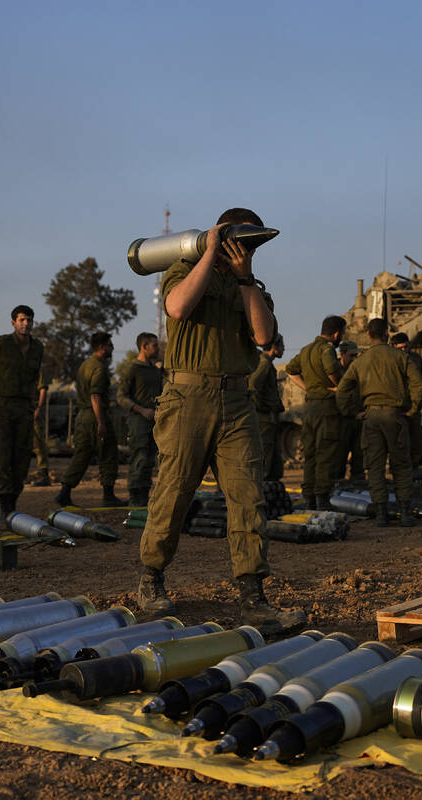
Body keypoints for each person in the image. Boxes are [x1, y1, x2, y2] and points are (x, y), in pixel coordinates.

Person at [136, 207, 306, 633]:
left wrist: (245, 277)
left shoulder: (252, 288)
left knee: (248, 497)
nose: (243, 250)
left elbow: (265, 337)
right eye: (238, 241)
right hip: (187, 398)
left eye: (250, 245)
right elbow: (176, 308)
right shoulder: (184, 270)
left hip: (236, 401)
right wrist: (209, 253)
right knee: (174, 492)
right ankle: (150, 580)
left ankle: (253, 598)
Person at [337, 318, 422, 527]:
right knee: (401, 464)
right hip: (395, 416)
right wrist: (413, 409)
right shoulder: (401, 357)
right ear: (387, 333)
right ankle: (405, 513)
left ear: (368, 335)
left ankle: (381, 514)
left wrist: (353, 412)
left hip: (371, 417)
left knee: (375, 466)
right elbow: (419, 384)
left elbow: (342, 391)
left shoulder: (360, 361)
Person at [0, 304, 45, 526]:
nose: (26, 324)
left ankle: (13, 504)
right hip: (1, 407)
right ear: (13, 323)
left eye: (29, 320)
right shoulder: (2, 344)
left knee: (22, 459)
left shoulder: (37, 348)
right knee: (2, 457)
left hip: (23, 409)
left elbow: (34, 377)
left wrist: (32, 403)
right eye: (22, 320)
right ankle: (6, 508)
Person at [285, 315, 346, 510]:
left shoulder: (306, 350)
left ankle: (309, 497)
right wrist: (339, 386)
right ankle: (322, 498)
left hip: (309, 407)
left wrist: (308, 388)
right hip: (326, 407)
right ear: (336, 334)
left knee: (310, 453)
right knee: (325, 453)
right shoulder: (326, 350)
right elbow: (331, 370)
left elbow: (290, 371)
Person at [56, 332, 122, 508]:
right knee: (108, 453)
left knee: (82, 455)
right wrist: (101, 422)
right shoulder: (99, 368)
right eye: (109, 345)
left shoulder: (85, 364)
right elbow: (95, 395)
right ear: (101, 347)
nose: (112, 348)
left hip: (83, 416)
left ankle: (65, 491)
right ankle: (108, 495)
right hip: (95, 415)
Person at [117, 332, 163, 506]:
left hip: (155, 423)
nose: (157, 348)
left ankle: (143, 498)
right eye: (154, 345)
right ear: (144, 347)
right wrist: (141, 410)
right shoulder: (133, 369)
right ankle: (135, 499)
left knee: (149, 460)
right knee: (140, 459)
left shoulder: (155, 370)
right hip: (139, 422)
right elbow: (121, 397)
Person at [390, 333, 422, 469]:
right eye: (400, 348)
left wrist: (417, 405)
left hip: (413, 407)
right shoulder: (390, 361)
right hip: (396, 408)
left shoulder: (415, 359)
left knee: (417, 444)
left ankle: (412, 471)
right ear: (393, 347)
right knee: (398, 444)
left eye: (406, 347)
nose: (404, 350)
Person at [249, 334, 286, 481]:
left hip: (268, 417)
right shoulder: (264, 363)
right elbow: (252, 386)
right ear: (275, 346)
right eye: (282, 345)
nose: (284, 348)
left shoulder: (267, 363)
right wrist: (261, 407)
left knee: (273, 461)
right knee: (264, 456)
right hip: (264, 418)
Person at [331, 340, 365, 482]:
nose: (354, 359)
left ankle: (357, 483)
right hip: (341, 420)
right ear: (342, 354)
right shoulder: (334, 372)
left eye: (355, 356)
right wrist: (352, 413)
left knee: (359, 456)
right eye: (351, 356)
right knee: (339, 457)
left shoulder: (357, 371)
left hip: (358, 418)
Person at [30, 371, 51, 486]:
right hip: (19, 409)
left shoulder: (36, 367)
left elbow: (42, 389)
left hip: (32, 409)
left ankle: (44, 474)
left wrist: (38, 408)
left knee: (38, 443)